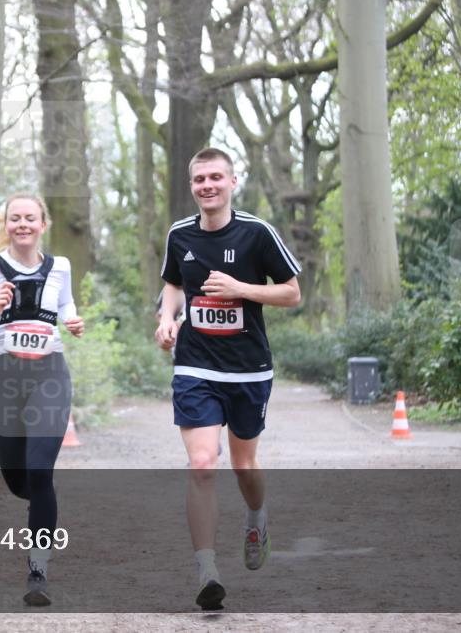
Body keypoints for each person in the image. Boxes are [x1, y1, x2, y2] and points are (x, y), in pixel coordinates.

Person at [154, 147, 301, 611]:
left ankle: (256, 517)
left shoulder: (257, 233)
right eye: (199, 180)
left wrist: (241, 289)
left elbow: (293, 293)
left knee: (243, 466)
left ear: (232, 182)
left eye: (216, 177)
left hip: (248, 369)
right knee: (202, 463)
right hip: (195, 364)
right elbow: (175, 283)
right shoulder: (180, 234)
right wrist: (167, 318)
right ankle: (207, 570)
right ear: (192, 186)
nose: (207, 186)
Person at [0, 195, 84, 606]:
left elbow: (65, 304)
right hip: (4, 379)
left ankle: (38, 569)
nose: (23, 224)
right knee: (18, 479)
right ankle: (41, 503)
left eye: (30, 218)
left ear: (44, 223)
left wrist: (71, 319)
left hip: (49, 375)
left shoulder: (59, 265)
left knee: (39, 472)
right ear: (6, 225)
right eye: (15, 218)